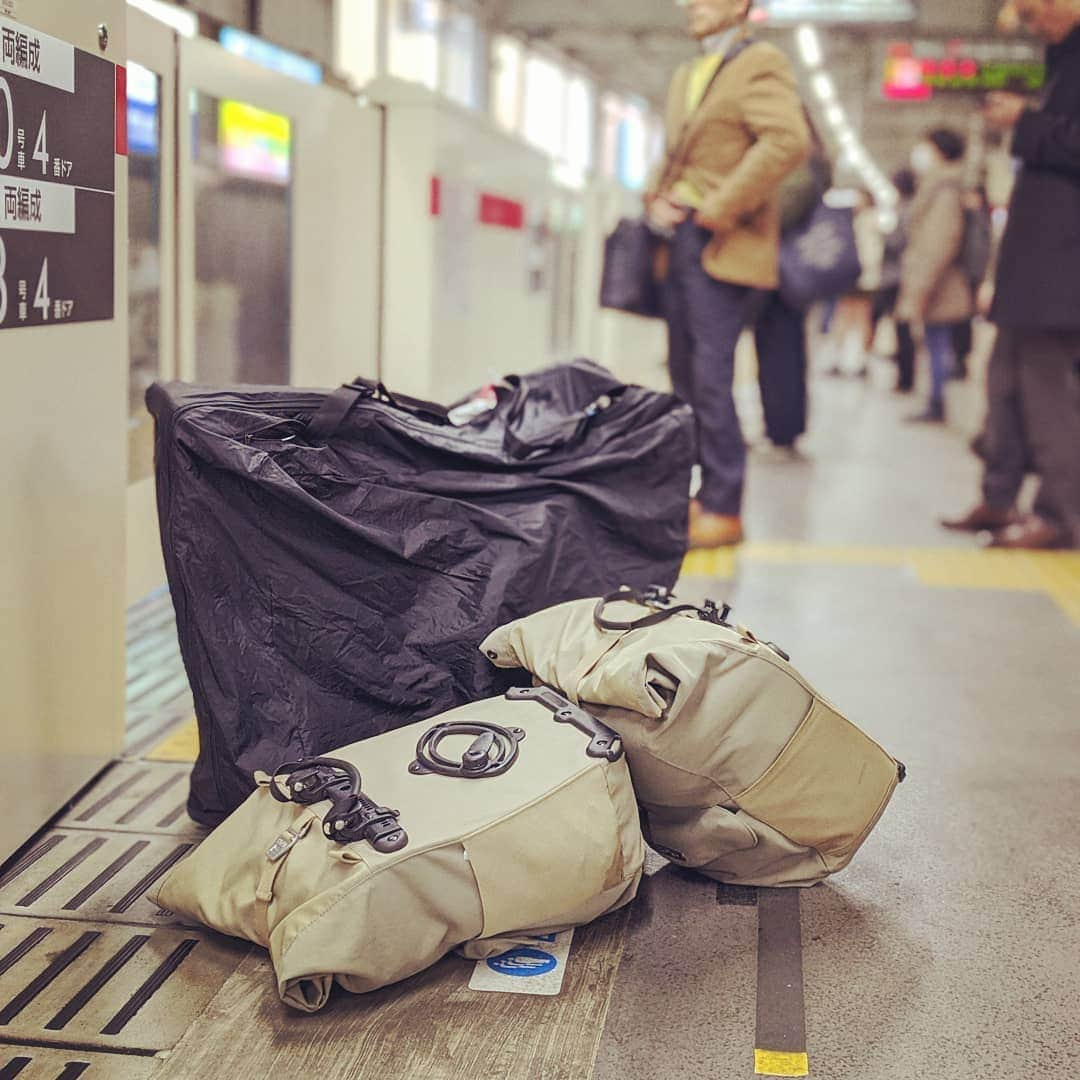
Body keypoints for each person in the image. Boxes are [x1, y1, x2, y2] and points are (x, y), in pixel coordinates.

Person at [646, 0, 810, 548]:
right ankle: (700, 493)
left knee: (712, 375)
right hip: (681, 239)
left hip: (721, 239)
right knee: (685, 371)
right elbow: (675, 155)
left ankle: (725, 504)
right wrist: (656, 198)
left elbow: (788, 140)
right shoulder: (686, 73)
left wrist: (723, 204)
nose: (689, 5)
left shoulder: (760, 61)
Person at [943, 0, 1080, 549]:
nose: (1032, 23)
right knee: (1003, 384)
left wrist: (1024, 120)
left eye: (1036, 10)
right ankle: (999, 498)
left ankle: (1059, 513)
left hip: (1064, 263)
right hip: (1036, 258)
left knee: (1050, 396)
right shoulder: (1061, 61)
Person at [751, 114, 832, 456]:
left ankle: (781, 432)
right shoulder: (811, 165)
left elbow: (780, 214)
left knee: (779, 354)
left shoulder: (800, 168)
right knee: (785, 353)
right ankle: (783, 429)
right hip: (787, 277)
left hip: (781, 277)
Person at [896, 129, 974, 422]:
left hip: (939, 282)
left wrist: (923, 286)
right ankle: (934, 399)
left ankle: (936, 402)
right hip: (937, 279)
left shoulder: (945, 189)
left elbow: (941, 240)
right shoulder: (941, 185)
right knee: (934, 342)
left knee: (937, 344)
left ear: (939, 151)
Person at [871, 169, 918, 392]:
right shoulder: (907, 207)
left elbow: (900, 240)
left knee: (902, 327)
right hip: (897, 275)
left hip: (897, 276)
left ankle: (905, 377)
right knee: (900, 327)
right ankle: (903, 374)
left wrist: (883, 235)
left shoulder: (908, 209)